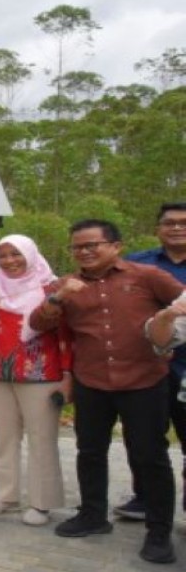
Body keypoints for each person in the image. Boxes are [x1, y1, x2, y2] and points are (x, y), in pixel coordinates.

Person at [30, 219, 183, 565]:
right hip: (92, 381)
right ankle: (93, 516)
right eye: (77, 247)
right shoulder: (65, 285)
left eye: (92, 245)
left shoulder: (146, 276)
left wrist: (170, 327)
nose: (84, 252)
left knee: (150, 456)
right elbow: (39, 324)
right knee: (90, 451)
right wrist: (58, 296)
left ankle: (159, 532)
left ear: (115, 246)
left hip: (145, 379)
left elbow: (182, 300)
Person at [0, 235, 68, 526]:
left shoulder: (53, 289)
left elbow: (67, 336)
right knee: (4, 438)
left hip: (41, 373)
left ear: (30, 255)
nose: (9, 261)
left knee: (42, 439)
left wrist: (68, 375)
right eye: (3, 255)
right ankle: (5, 496)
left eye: (16, 254)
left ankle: (42, 503)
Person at [115, 202, 186, 521]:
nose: (176, 228)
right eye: (169, 222)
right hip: (145, 365)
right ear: (158, 228)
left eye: (183, 223)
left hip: (184, 367)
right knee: (143, 438)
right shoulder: (136, 263)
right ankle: (144, 498)